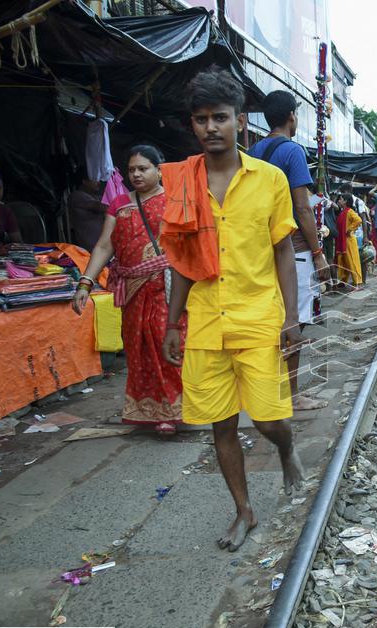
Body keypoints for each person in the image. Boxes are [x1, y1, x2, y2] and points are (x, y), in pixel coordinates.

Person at [159, 67, 303, 552]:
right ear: (193, 125)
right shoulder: (183, 183)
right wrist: (173, 322)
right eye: (201, 119)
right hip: (205, 321)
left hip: (258, 315)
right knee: (220, 424)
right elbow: (182, 261)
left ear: (240, 121)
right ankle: (243, 510)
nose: (211, 127)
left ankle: (286, 449)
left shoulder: (270, 179)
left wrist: (291, 318)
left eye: (220, 117)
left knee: (267, 420)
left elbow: (284, 250)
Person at [72, 145, 183, 434]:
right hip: (132, 290)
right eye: (132, 169)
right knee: (138, 348)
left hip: (166, 286)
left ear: (159, 170)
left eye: (143, 168)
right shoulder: (119, 203)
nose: (136, 174)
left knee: (165, 343)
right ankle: (148, 410)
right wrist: (85, 282)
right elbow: (104, 245)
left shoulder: (173, 199)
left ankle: (172, 410)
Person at [248, 89, 331, 412]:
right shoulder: (292, 151)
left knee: (269, 321)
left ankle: (268, 390)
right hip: (293, 249)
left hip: (260, 249)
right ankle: (291, 394)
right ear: (292, 116)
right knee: (293, 320)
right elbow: (303, 207)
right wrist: (318, 253)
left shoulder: (253, 151)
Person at [69, 178, 108, 251]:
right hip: (92, 247)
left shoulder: (94, 196)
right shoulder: (77, 195)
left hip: (100, 245)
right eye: (95, 179)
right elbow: (103, 207)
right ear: (84, 181)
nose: (99, 182)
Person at [334, 192, 363, 287]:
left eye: (341, 199)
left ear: (345, 201)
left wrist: (350, 229)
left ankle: (357, 282)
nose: (339, 201)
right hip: (343, 240)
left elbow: (358, 220)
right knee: (344, 261)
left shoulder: (349, 211)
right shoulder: (343, 212)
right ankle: (343, 281)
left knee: (352, 261)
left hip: (348, 240)